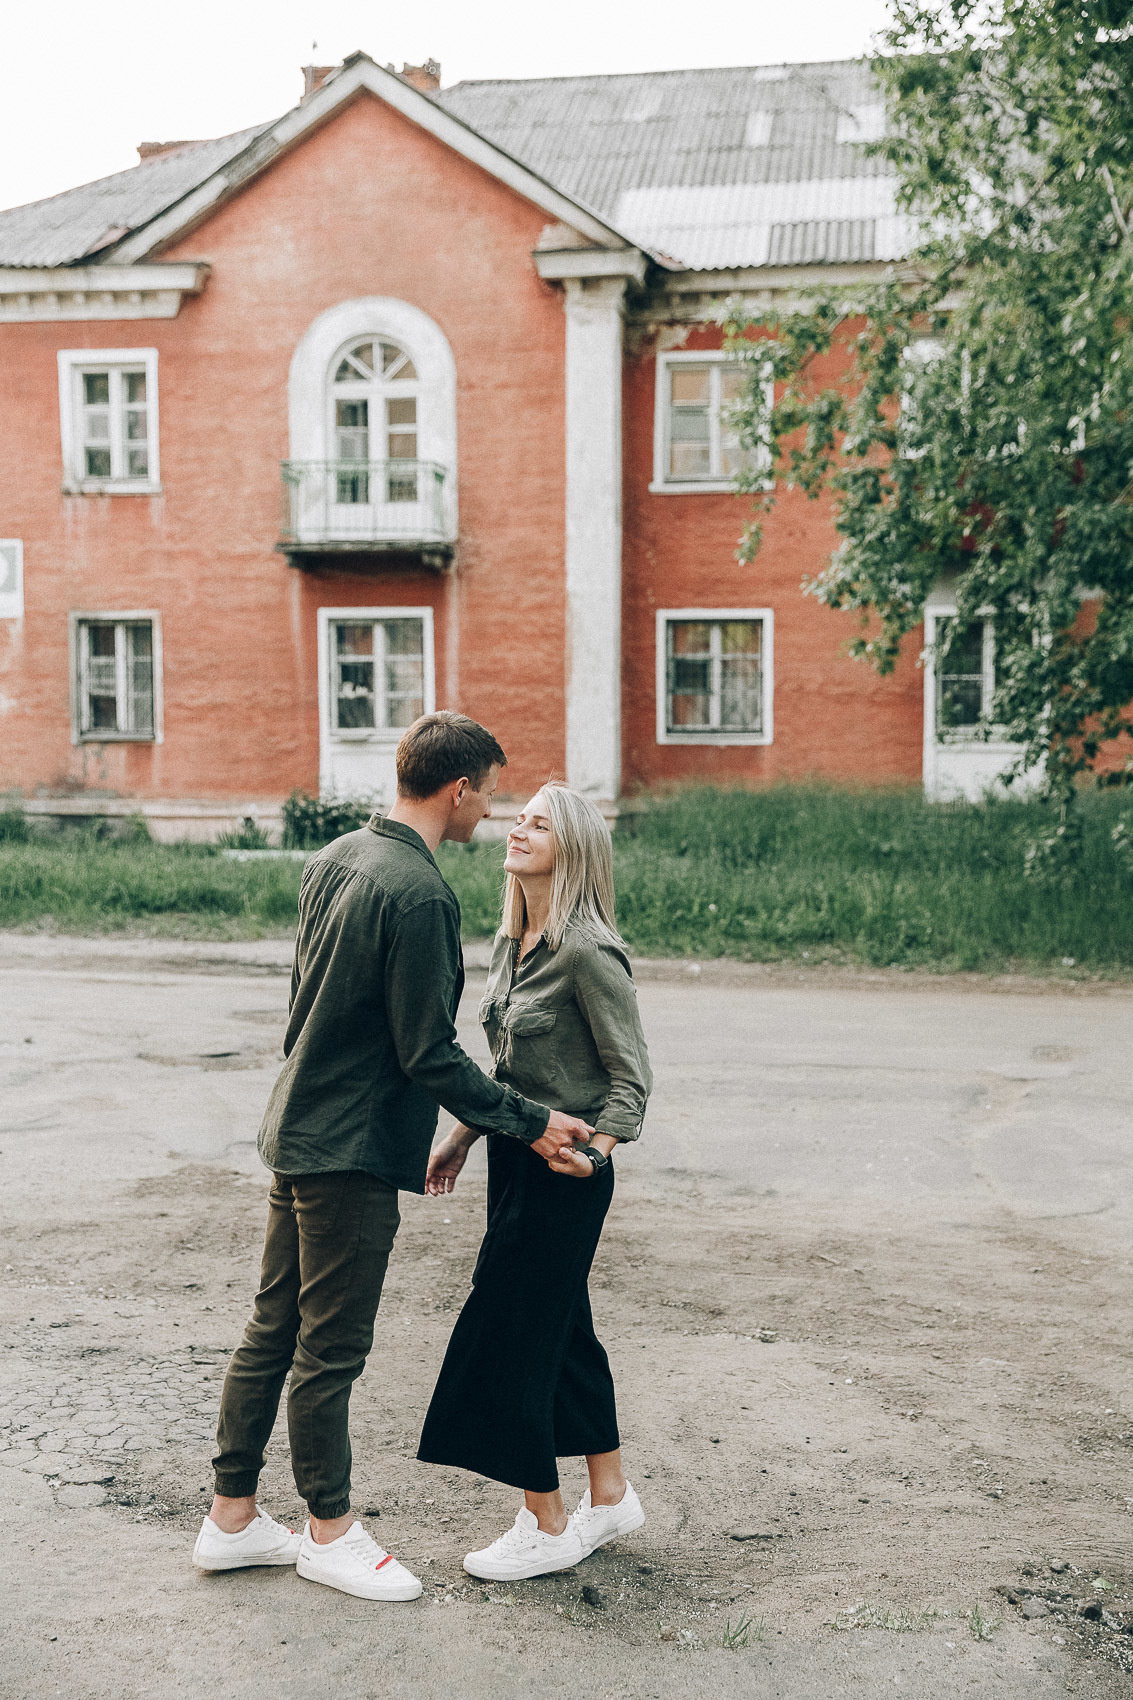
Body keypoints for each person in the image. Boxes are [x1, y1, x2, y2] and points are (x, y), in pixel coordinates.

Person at [192, 715, 594, 1601]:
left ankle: (230, 1518)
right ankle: (328, 1530)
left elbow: (302, 1003)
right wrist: (528, 1122)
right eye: (488, 792)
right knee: (328, 1349)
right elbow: (429, 1054)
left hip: (297, 1128)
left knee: (272, 1328)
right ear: (457, 790)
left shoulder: (335, 856)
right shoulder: (418, 894)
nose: (489, 812)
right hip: (352, 1148)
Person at [417, 782, 652, 1581]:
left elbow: (630, 1077)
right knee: (561, 1328)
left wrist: (597, 1151)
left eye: (538, 825)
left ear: (573, 847)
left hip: (569, 1170)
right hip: (513, 1158)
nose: (516, 830)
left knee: (512, 1329)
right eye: (516, 819)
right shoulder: (511, 941)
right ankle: (610, 1492)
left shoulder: (588, 951)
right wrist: (460, 1137)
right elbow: (510, 1069)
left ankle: (544, 1522)